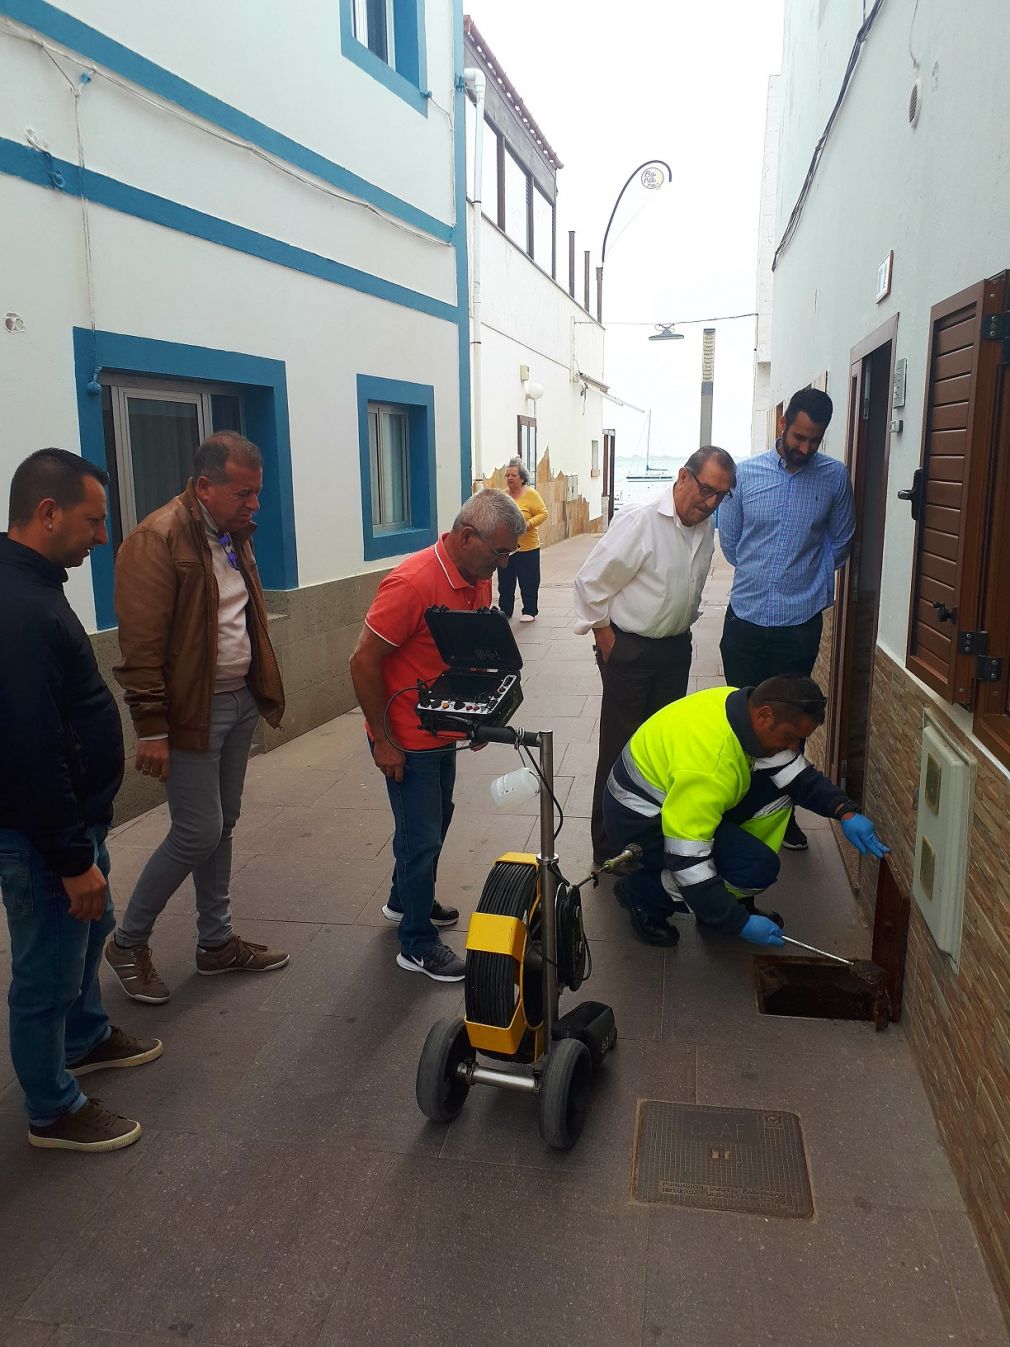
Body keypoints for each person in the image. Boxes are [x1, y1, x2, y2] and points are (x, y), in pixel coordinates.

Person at [0, 449, 162, 1152]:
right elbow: (26, 745)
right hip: (42, 839)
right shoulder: (19, 604)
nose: (102, 537)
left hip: (71, 824)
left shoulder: (33, 581)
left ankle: (87, 1036)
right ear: (47, 513)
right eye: (93, 521)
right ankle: (52, 1107)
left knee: (87, 936)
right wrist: (71, 859)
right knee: (47, 968)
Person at [105, 431, 287, 1003]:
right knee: (197, 830)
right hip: (190, 713)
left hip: (236, 704)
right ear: (204, 486)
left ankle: (216, 943)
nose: (254, 504)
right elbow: (141, 647)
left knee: (223, 822)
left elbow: (237, 613)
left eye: (257, 493)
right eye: (243, 493)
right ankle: (127, 941)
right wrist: (151, 728)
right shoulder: (155, 540)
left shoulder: (232, 533)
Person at [349, 489, 525, 981]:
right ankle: (417, 942)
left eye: (509, 553)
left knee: (436, 818)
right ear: (466, 536)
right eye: (499, 552)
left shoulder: (476, 576)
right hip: (404, 735)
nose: (505, 562)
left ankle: (404, 900)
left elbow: (467, 655)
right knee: (421, 834)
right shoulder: (411, 583)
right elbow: (362, 661)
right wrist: (382, 741)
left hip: (441, 726)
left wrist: (475, 716)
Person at [602, 675, 888, 948]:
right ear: (764, 715)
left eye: (800, 740)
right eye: (790, 737)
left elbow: (797, 776)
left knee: (780, 789)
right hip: (641, 822)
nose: (794, 748)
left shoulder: (739, 707)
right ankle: (643, 893)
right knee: (754, 870)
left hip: (669, 798)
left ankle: (723, 893)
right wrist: (735, 921)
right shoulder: (711, 767)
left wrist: (845, 811)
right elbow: (687, 860)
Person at [573, 446, 737, 865]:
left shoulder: (705, 525)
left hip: (673, 651)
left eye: (722, 494)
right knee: (620, 751)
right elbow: (590, 584)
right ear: (682, 476)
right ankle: (609, 849)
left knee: (662, 752)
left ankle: (647, 842)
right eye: (706, 489)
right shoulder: (641, 519)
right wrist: (611, 645)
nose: (712, 501)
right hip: (630, 651)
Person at [717, 387, 855, 851]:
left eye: (814, 440)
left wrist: (805, 585)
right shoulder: (747, 475)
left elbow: (841, 542)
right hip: (747, 620)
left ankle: (783, 816)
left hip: (799, 624)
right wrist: (765, 577)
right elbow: (732, 543)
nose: (805, 448)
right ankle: (735, 812)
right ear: (782, 423)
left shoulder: (834, 478)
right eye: (798, 436)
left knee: (792, 724)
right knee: (742, 720)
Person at [497, 458, 548, 623]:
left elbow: (543, 513)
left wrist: (529, 523)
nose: (510, 478)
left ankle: (530, 610)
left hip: (528, 548)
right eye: (508, 475)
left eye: (514, 475)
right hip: (506, 549)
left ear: (522, 478)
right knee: (505, 581)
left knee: (529, 580)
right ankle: (505, 610)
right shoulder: (503, 496)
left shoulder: (531, 494)